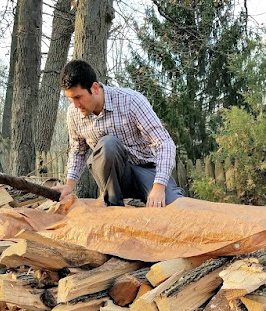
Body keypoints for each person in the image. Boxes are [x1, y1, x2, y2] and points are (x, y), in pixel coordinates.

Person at [55, 59, 184, 208]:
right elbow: (78, 151)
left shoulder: (130, 101)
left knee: (174, 205)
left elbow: (164, 143)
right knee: (108, 145)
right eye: (71, 99)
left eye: (78, 97)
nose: (76, 105)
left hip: (147, 170)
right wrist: (69, 185)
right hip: (112, 180)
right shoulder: (73, 113)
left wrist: (159, 187)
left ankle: (164, 194)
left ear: (95, 88)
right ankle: (113, 205)